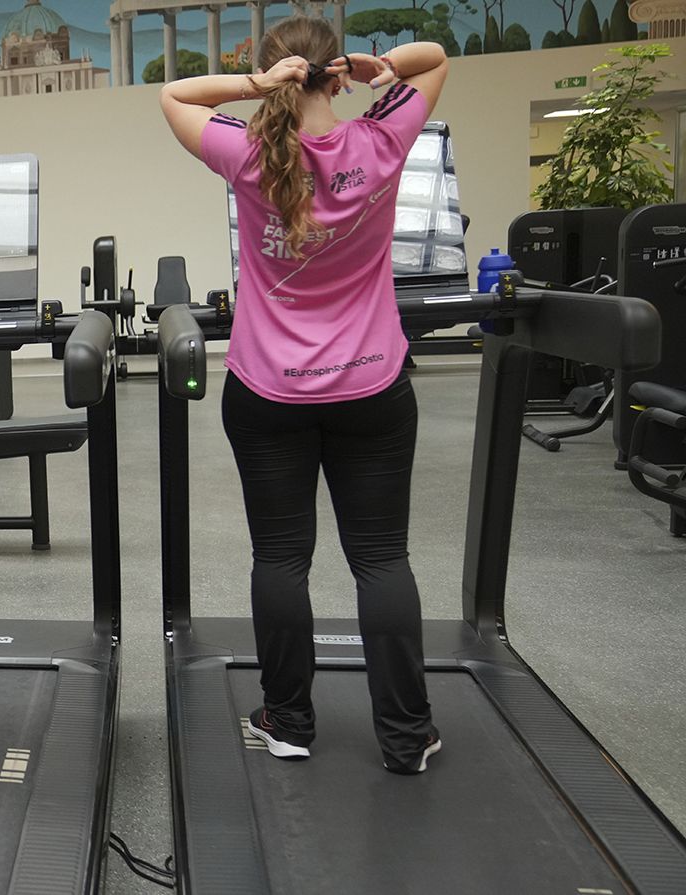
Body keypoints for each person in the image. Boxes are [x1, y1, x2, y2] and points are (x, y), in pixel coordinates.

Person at [161, 20, 450, 774]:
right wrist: (377, 65)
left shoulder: (247, 152)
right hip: (373, 389)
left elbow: (174, 95)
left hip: (268, 394)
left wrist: (256, 87)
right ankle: (406, 734)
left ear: (277, 75)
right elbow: (437, 60)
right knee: (382, 560)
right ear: (336, 77)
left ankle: (287, 722)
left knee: (281, 558)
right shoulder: (380, 141)